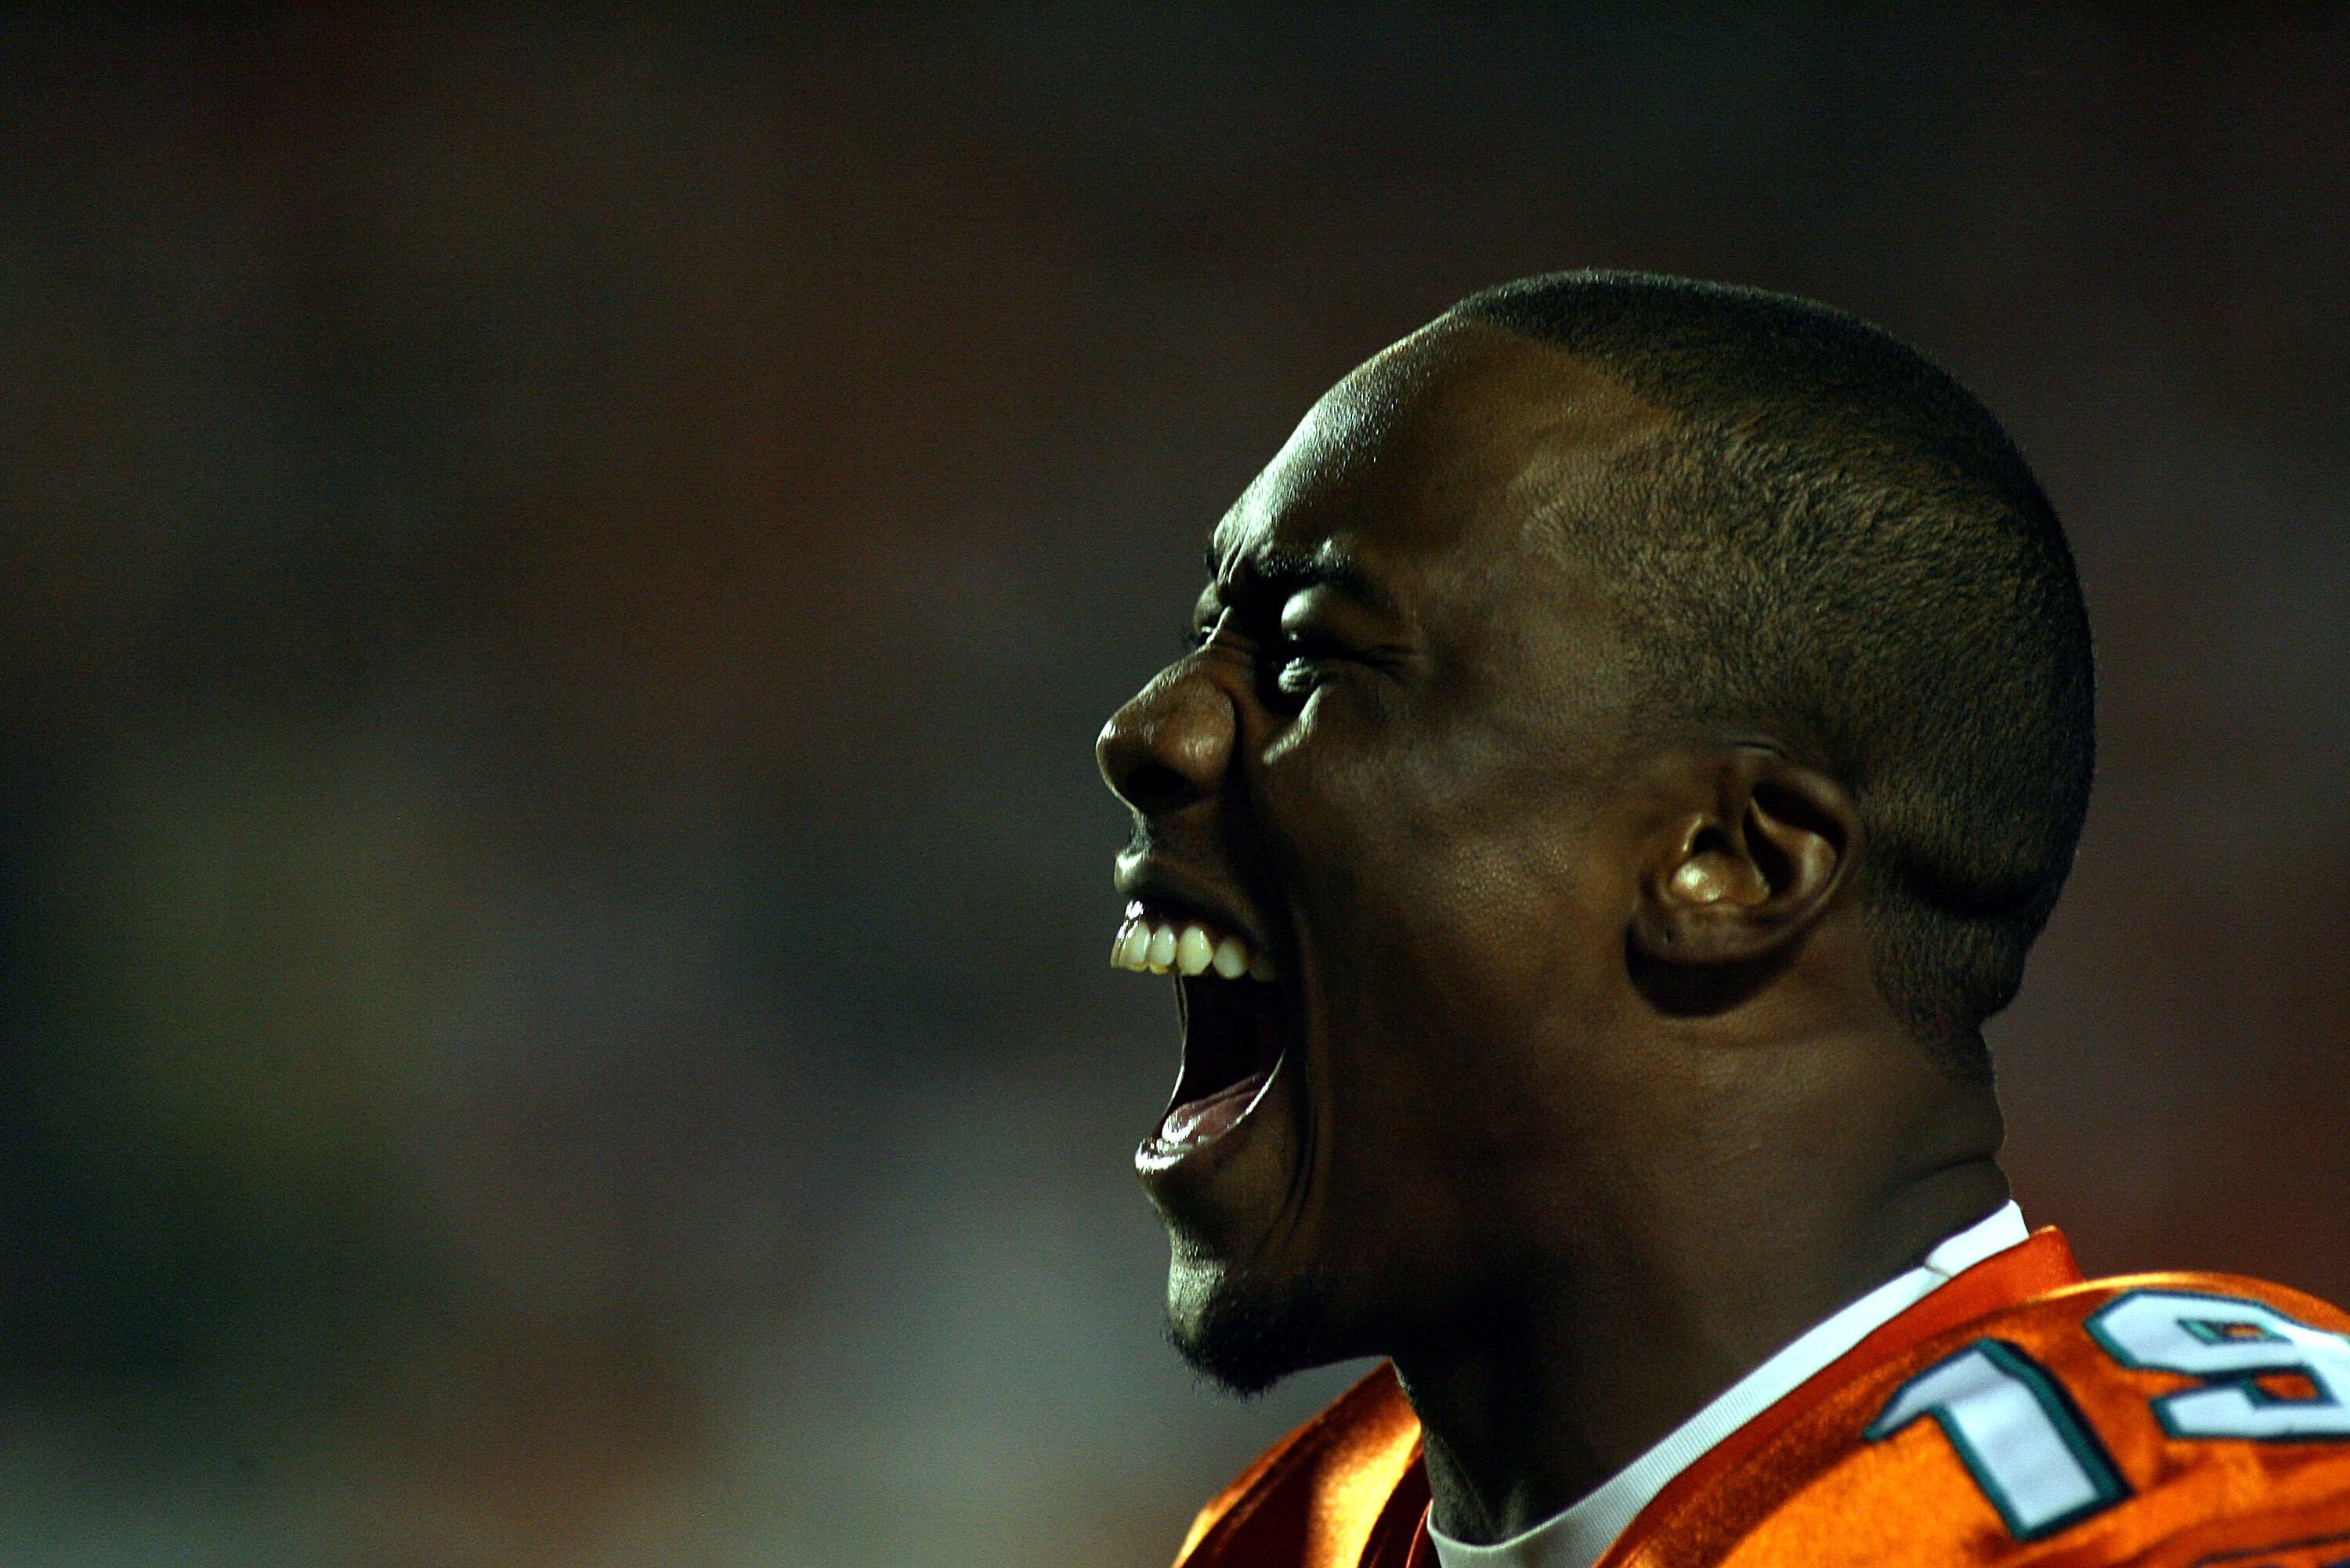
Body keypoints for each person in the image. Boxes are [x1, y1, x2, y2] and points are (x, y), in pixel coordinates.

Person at [1094, 271, 2350, 1568]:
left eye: (1307, 656)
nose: (1150, 730)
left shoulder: (2209, 1521)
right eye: (1207, 638)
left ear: (1730, 861)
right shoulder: (1291, 1533)